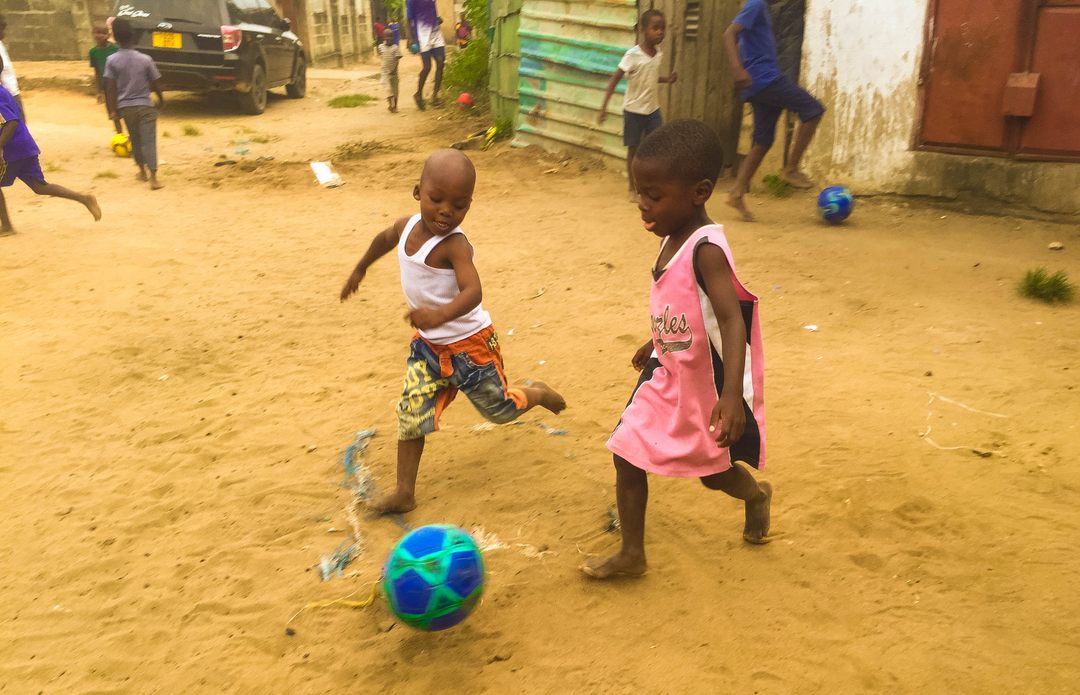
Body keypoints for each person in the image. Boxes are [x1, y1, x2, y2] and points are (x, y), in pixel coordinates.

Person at [581, 120, 770, 580]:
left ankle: (757, 495)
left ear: (699, 192)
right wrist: (656, 340)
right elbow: (685, 305)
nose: (642, 203)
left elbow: (731, 321)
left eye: (653, 194)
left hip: (704, 389)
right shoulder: (672, 234)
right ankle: (633, 554)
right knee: (626, 451)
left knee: (714, 475)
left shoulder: (707, 250)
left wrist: (731, 396)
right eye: (639, 191)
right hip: (666, 374)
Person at [339, 149, 567, 514]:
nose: (446, 211)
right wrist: (360, 268)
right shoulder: (405, 226)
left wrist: (440, 315)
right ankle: (404, 491)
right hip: (429, 348)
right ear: (418, 192)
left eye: (459, 205)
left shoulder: (455, 246)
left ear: (468, 205)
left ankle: (536, 393)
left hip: (471, 348)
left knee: (499, 411)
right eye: (436, 199)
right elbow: (384, 238)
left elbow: (473, 291)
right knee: (411, 412)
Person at [723, 0, 825, 221]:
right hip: (765, 80)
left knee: (763, 141)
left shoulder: (761, 8)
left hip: (759, 82)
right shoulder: (756, 4)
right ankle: (791, 169)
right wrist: (737, 69)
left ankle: (737, 193)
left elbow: (742, 41)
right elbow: (729, 34)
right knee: (813, 110)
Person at [0, 55, 101, 235]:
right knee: (40, 187)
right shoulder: (4, 91)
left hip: (12, 149)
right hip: (24, 146)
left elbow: (11, 122)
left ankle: (7, 226)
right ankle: (84, 199)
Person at [598, 9, 677, 202]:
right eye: (655, 28)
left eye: (662, 28)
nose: (660, 32)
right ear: (643, 30)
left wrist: (666, 79)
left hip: (652, 109)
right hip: (633, 110)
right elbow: (615, 79)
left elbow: (650, 76)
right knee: (633, 149)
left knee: (656, 147)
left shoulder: (658, 54)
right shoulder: (632, 55)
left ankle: (651, 184)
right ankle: (631, 188)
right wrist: (604, 106)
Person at [103, 18, 165, 190]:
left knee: (135, 140)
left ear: (115, 38)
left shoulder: (111, 60)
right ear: (133, 36)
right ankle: (154, 177)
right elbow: (155, 83)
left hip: (126, 108)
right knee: (149, 140)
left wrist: (112, 110)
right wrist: (161, 99)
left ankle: (142, 172)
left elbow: (110, 88)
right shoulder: (145, 59)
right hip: (145, 105)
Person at [406, 0, 445, 110]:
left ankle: (435, 96)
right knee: (427, 67)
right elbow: (408, 20)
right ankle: (418, 94)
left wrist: (436, 19)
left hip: (435, 32)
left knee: (441, 63)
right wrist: (411, 38)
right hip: (422, 35)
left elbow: (431, 11)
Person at [0, 14, 25, 121]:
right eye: (1, 28)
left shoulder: (0, 45)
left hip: (12, 94)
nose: (4, 33)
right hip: (7, 97)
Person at [89, 20, 120, 104]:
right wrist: (99, 92)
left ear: (108, 35)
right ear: (93, 34)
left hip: (118, 84)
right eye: (98, 32)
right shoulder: (93, 52)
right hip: (106, 85)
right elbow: (97, 72)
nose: (100, 35)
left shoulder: (116, 49)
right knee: (111, 107)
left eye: (103, 33)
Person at [377, 27, 402, 113]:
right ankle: (391, 105)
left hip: (394, 72)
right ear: (384, 38)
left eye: (390, 37)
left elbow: (397, 60)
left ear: (393, 38)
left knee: (395, 91)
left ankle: (395, 106)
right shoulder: (381, 47)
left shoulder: (395, 48)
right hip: (385, 73)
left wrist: (394, 70)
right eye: (387, 37)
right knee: (388, 90)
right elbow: (380, 54)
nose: (389, 39)